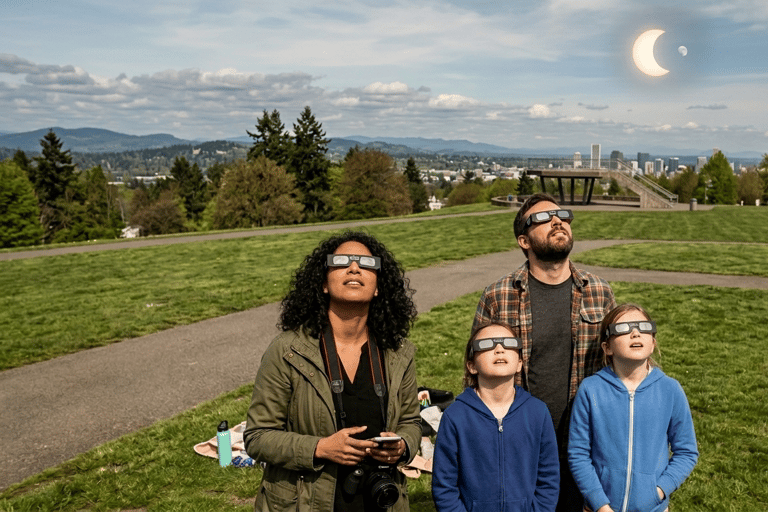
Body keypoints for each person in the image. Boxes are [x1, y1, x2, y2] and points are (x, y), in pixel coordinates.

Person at [243, 231, 421, 512]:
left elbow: (411, 421)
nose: (354, 267)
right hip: (307, 503)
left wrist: (402, 447)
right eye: (341, 262)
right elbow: (258, 436)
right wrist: (320, 448)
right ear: (323, 283)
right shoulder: (287, 351)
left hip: (380, 500)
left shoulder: (399, 352)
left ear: (377, 287)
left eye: (366, 263)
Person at [472, 193, 616, 512]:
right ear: (524, 240)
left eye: (562, 215)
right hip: (519, 441)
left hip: (583, 442)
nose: (557, 221)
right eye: (542, 218)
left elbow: (616, 371)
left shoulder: (600, 292)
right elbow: (477, 377)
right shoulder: (498, 296)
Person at [568, 304, 698, 512]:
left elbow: (687, 451)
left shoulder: (670, 389)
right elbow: (578, 454)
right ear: (607, 347)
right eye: (623, 328)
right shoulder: (591, 390)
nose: (635, 333)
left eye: (643, 327)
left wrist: (659, 491)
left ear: (653, 342)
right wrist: (599, 503)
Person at [432, 323, 560, 512]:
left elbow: (549, 479)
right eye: (486, 345)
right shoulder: (455, 416)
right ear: (472, 366)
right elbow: (444, 487)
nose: (499, 349)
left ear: (519, 364)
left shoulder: (538, 413)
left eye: (509, 343)